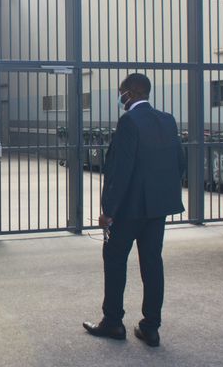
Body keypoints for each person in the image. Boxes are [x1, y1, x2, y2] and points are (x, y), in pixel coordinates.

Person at [83, 73, 185, 348]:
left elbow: (121, 170)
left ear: (132, 92)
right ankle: (151, 327)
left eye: (121, 92)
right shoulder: (168, 120)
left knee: (115, 261)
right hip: (157, 210)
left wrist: (109, 211)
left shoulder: (129, 122)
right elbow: (180, 162)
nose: (120, 97)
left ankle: (113, 322)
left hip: (128, 209)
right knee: (152, 264)